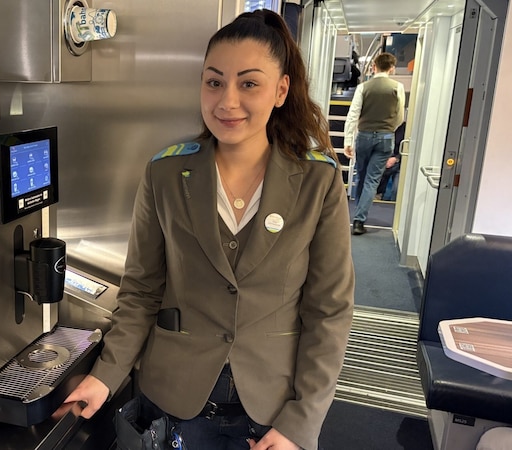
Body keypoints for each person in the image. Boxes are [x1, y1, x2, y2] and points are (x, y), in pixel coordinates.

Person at [60, 9, 355, 450]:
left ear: (281, 90)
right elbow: (141, 290)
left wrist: (302, 421)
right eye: (214, 82)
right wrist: (106, 374)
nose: (227, 101)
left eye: (248, 83)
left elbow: (328, 312)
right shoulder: (165, 173)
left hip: (273, 408)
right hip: (173, 399)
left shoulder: (318, 181)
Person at [343, 52, 405, 235]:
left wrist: (348, 140)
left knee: (362, 176)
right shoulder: (397, 87)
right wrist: (388, 129)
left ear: (374, 66)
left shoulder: (363, 87)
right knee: (372, 180)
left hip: (363, 136)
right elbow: (400, 116)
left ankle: (357, 215)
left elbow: (353, 114)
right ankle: (359, 221)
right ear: (391, 68)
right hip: (385, 137)